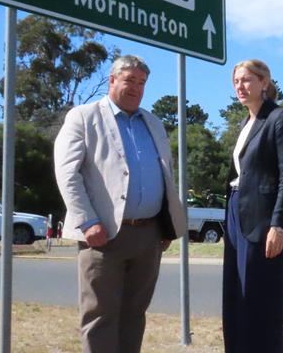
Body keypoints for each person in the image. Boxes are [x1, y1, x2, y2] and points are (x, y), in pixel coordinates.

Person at [54, 55, 187, 353]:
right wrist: (87, 221)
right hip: (102, 235)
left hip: (149, 236)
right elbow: (66, 173)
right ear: (112, 80)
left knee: (134, 315)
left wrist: (166, 226)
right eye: (130, 80)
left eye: (142, 83)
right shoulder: (83, 117)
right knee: (99, 316)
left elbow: (166, 175)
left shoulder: (153, 122)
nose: (136, 88)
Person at [223, 59, 283, 353]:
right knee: (236, 296)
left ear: (264, 83)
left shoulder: (280, 119)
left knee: (261, 301)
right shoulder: (246, 122)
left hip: (264, 220)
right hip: (236, 213)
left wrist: (278, 224)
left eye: (246, 80)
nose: (240, 87)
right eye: (236, 82)